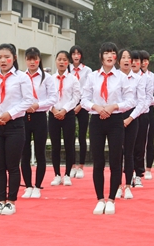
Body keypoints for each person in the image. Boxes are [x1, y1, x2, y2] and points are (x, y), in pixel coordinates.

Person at [0, 43, 35, 215]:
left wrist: (10, 113)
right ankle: (0, 201)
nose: (2, 60)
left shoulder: (22, 78)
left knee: (12, 165)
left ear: (14, 58)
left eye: (6, 57)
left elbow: (28, 100)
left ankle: (11, 201)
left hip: (14, 126)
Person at [81, 43, 135, 215]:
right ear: (101, 56)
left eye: (113, 53)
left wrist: (114, 107)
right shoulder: (92, 76)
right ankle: (99, 198)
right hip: (97, 119)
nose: (110, 56)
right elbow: (84, 99)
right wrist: (96, 107)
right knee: (97, 161)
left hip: (115, 120)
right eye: (106, 53)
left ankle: (111, 198)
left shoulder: (121, 77)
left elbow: (130, 101)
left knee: (115, 160)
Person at [21, 47, 57, 199]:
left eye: (34, 59)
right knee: (24, 153)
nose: (32, 62)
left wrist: (37, 105)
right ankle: (28, 185)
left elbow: (53, 98)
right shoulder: (20, 77)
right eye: (29, 59)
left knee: (40, 152)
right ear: (25, 60)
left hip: (40, 116)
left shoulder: (47, 78)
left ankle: (37, 185)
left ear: (39, 60)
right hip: (23, 117)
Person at [115, 49, 146, 200]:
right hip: (115, 117)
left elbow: (141, 102)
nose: (127, 60)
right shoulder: (113, 77)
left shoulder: (138, 79)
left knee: (129, 153)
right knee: (116, 154)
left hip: (132, 119)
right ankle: (116, 186)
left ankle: (127, 185)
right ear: (118, 60)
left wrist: (130, 119)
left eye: (129, 58)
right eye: (124, 57)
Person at [49, 51, 81, 187]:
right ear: (55, 61)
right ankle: (57, 174)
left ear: (68, 62)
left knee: (69, 145)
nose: (61, 62)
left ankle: (67, 174)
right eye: (59, 59)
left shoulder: (73, 79)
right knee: (55, 145)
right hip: (53, 113)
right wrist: (54, 109)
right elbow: (46, 96)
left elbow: (76, 97)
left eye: (64, 60)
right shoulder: (50, 79)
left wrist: (64, 110)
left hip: (68, 114)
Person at [135, 50, 154, 183]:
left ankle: (149, 168)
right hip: (135, 110)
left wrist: (146, 102)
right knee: (136, 141)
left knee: (148, 140)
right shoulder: (134, 76)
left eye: (146, 60)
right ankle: (136, 169)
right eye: (142, 60)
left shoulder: (153, 77)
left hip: (148, 110)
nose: (144, 63)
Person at [69, 45, 92, 179]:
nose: (76, 56)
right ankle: (72, 165)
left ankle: (81, 166)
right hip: (70, 105)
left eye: (78, 53)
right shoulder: (67, 69)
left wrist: (80, 104)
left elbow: (88, 88)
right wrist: (71, 105)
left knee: (82, 136)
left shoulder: (87, 71)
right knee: (70, 137)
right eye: (73, 54)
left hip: (83, 105)